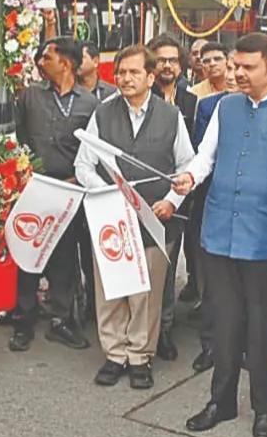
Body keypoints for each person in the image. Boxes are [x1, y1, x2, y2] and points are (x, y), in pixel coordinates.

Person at [173, 32, 267, 437]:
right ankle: (220, 402)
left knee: (263, 327)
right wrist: (187, 178)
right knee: (224, 323)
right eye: (235, 66)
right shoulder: (225, 107)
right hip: (220, 233)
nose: (238, 73)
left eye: (247, 67)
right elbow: (206, 156)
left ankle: (264, 408)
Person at [74, 45, 195, 390]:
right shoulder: (103, 112)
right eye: (121, 72)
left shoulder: (170, 117)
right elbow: (83, 164)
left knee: (147, 292)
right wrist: (108, 193)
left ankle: (140, 356)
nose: (125, 78)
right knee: (111, 288)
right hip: (111, 219)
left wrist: (172, 200)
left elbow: (186, 166)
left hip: (156, 219)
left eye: (134, 72)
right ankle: (115, 354)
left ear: (151, 77)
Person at [9, 38, 98, 352]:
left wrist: (79, 179)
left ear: (67, 63)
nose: (39, 60)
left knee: (64, 256)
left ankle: (61, 320)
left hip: (70, 190)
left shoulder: (90, 103)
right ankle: (23, 319)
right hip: (34, 187)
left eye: (47, 56)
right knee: (28, 251)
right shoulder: (30, 96)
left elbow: (92, 150)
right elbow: (15, 136)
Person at [184, 53, 239, 374]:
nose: (232, 75)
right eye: (229, 69)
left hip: (250, 210)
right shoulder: (209, 107)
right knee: (212, 283)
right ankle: (210, 346)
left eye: (238, 68)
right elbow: (202, 153)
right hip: (210, 200)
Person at [147, 34, 199, 361]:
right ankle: (142, 330)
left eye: (172, 60)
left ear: (181, 66)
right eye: (161, 59)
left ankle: (164, 329)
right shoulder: (142, 97)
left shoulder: (193, 103)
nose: (167, 65)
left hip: (178, 200)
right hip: (143, 195)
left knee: (166, 269)